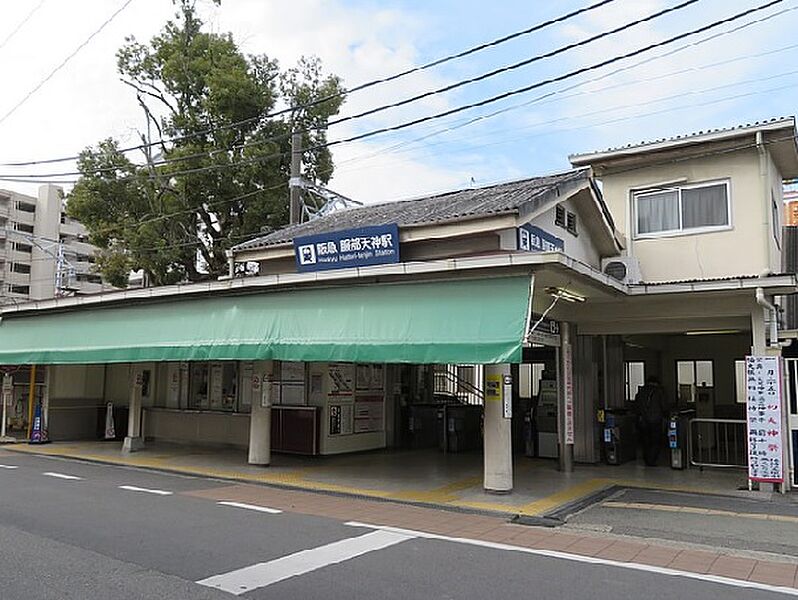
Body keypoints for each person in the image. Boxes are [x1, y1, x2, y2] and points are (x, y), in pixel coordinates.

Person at [634, 376, 667, 466]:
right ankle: (652, 460)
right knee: (655, 440)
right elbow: (663, 405)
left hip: (643, 420)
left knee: (646, 440)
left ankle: (647, 459)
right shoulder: (659, 391)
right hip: (656, 419)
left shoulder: (641, 391)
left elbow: (636, 404)